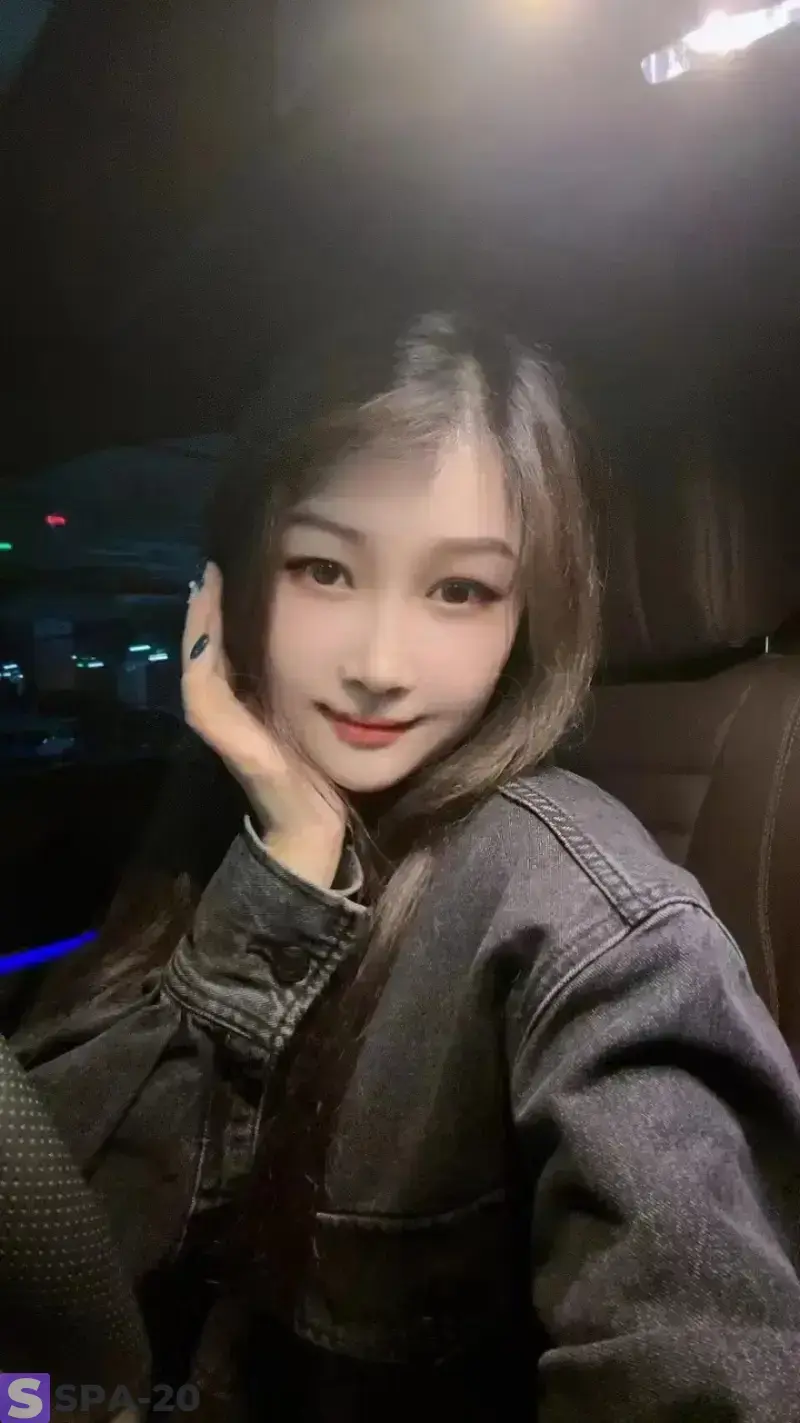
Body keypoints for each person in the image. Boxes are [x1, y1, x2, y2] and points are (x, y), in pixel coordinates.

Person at [5, 311, 800, 1421]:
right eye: (324, 569)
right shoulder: (229, 811)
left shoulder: (594, 919)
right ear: (230, 582)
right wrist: (285, 867)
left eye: (460, 590)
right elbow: (56, 1265)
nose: (380, 664)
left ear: (527, 613)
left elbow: (698, 1353)